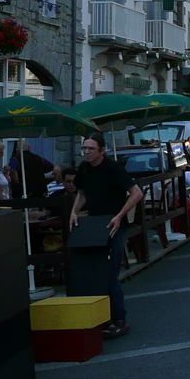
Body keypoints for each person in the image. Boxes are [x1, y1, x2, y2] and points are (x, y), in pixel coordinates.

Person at [71, 133, 144, 339]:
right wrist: (74, 212)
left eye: (91, 149)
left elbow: (136, 193)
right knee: (95, 271)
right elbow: (81, 193)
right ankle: (102, 317)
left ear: (102, 151)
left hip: (113, 224)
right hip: (94, 224)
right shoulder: (84, 168)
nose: (86, 152)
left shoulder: (113, 168)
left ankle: (119, 319)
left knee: (111, 272)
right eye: (84, 148)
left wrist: (120, 215)